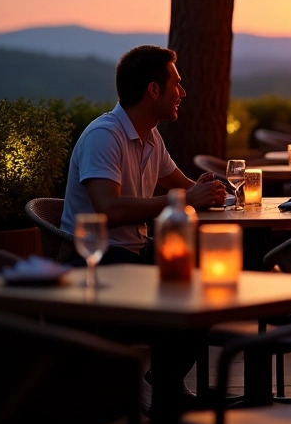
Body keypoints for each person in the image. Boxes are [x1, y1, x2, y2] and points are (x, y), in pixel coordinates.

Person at [62, 45, 227, 262]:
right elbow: (109, 209)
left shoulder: (151, 137)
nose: (183, 93)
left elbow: (184, 187)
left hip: (137, 253)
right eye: (177, 84)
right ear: (154, 90)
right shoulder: (103, 135)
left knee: (211, 259)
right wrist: (187, 199)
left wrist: (206, 190)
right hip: (98, 257)